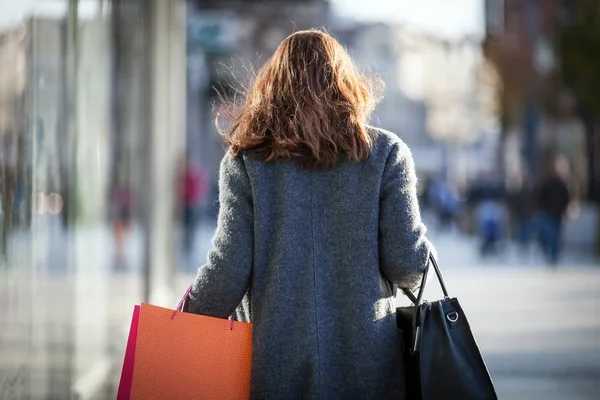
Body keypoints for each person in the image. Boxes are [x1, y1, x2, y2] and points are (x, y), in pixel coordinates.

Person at [183, 30, 435, 399]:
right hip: (367, 371)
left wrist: (185, 316)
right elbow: (408, 263)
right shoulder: (386, 154)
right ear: (346, 84)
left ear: (272, 87)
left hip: (275, 371)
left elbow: (227, 272)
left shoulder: (245, 162)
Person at [536, 155, 572, 265]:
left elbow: (567, 199)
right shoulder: (547, 182)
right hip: (546, 213)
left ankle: (553, 257)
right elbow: (540, 196)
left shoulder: (563, 185)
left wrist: (565, 209)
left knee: (555, 237)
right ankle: (550, 255)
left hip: (557, 215)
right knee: (546, 236)